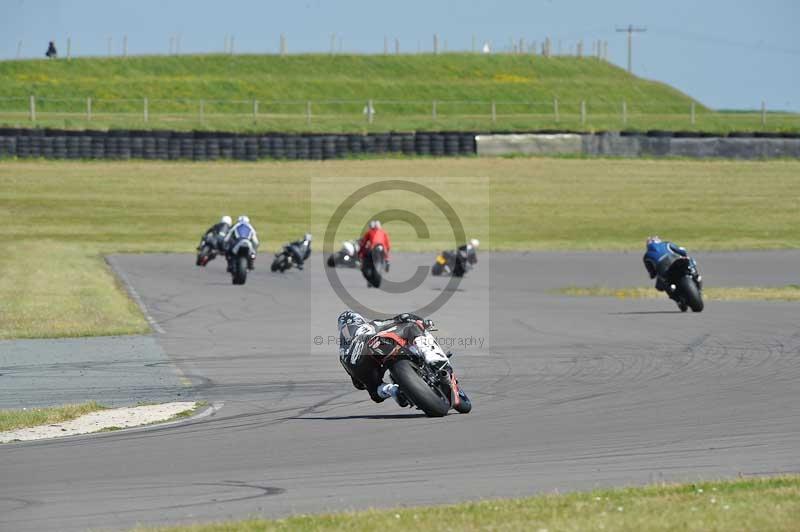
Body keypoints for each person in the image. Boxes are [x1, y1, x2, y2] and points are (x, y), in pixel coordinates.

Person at [337, 310, 438, 406]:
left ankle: (392, 390)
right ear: (360, 320)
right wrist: (419, 321)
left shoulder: (343, 352)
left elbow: (358, 384)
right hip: (378, 343)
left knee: (374, 392)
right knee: (411, 327)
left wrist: (366, 383)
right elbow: (400, 318)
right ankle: (431, 357)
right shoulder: (371, 325)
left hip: (360, 364)